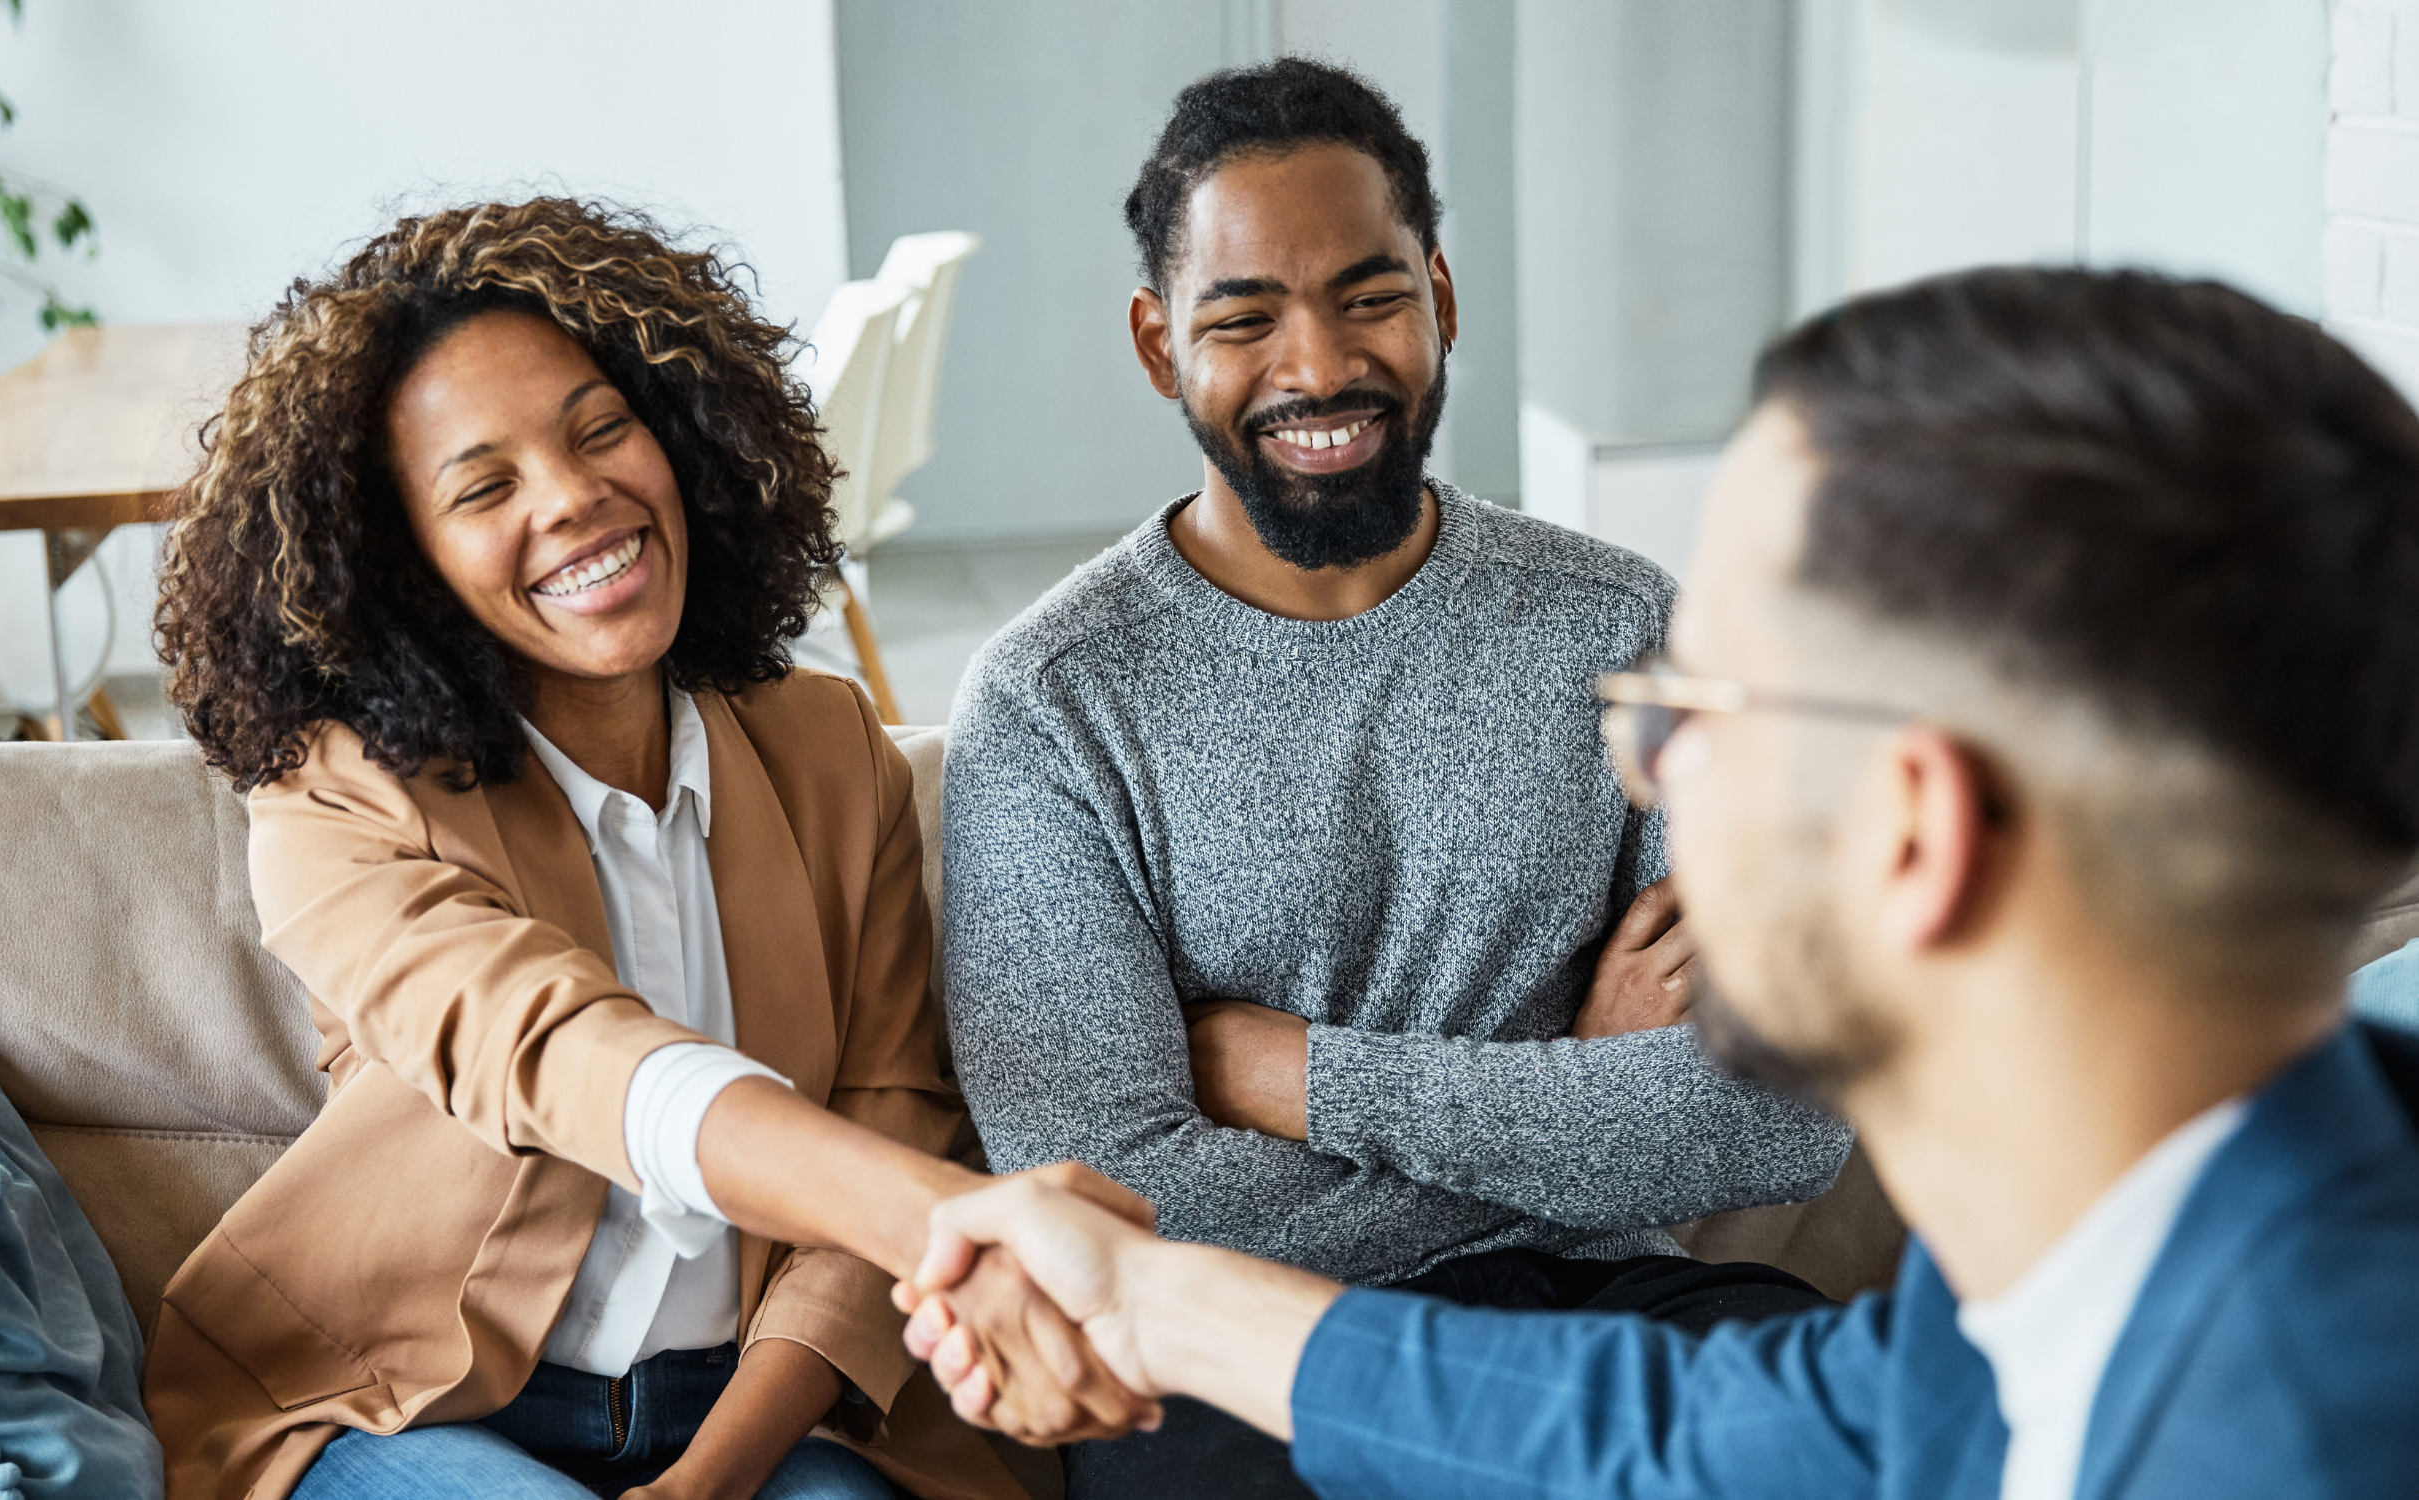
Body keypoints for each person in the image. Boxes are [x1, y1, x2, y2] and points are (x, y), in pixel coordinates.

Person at [905, 267, 2419, 1497]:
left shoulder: (2288, 1428)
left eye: (1704, 706)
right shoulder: (2093, 1269)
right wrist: (1144, 1295)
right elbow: (1681, 1439)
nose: (1643, 769)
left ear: (1913, 835)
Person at [938, 56, 1854, 1499]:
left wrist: (1290, 1076)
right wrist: (1574, 1087)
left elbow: (1781, 1117)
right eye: (1245, 317)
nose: (1317, 367)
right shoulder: (1052, 701)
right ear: (1157, 343)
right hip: (1233, 1372)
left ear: (1441, 295)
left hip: (1596, 1302)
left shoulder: (1627, 626)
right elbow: (1115, 1212)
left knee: (1868, 1446)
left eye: (1368, 297)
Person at [144, 198, 1152, 1500]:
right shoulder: (337, 797)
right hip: (414, 1409)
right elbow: (558, 1050)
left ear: (681, 431)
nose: (573, 500)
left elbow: (889, 1102)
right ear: (403, 562)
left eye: (600, 427)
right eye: (485, 487)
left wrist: (714, 1476)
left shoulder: (828, 747)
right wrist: (949, 1219)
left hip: (768, 1408)